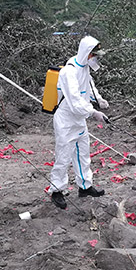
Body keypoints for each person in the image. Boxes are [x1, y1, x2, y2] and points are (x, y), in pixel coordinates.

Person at [49, 35, 110, 210]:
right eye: (94, 54)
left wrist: (99, 99)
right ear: (87, 53)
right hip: (66, 119)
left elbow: (89, 87)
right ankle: (57, 190)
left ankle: (85, 186)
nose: (96, 58)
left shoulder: (84, 68)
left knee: (82, 153)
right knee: (64, 155)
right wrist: (93, 112)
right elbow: (75, 101)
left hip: (79, 119)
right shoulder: (69, 71)